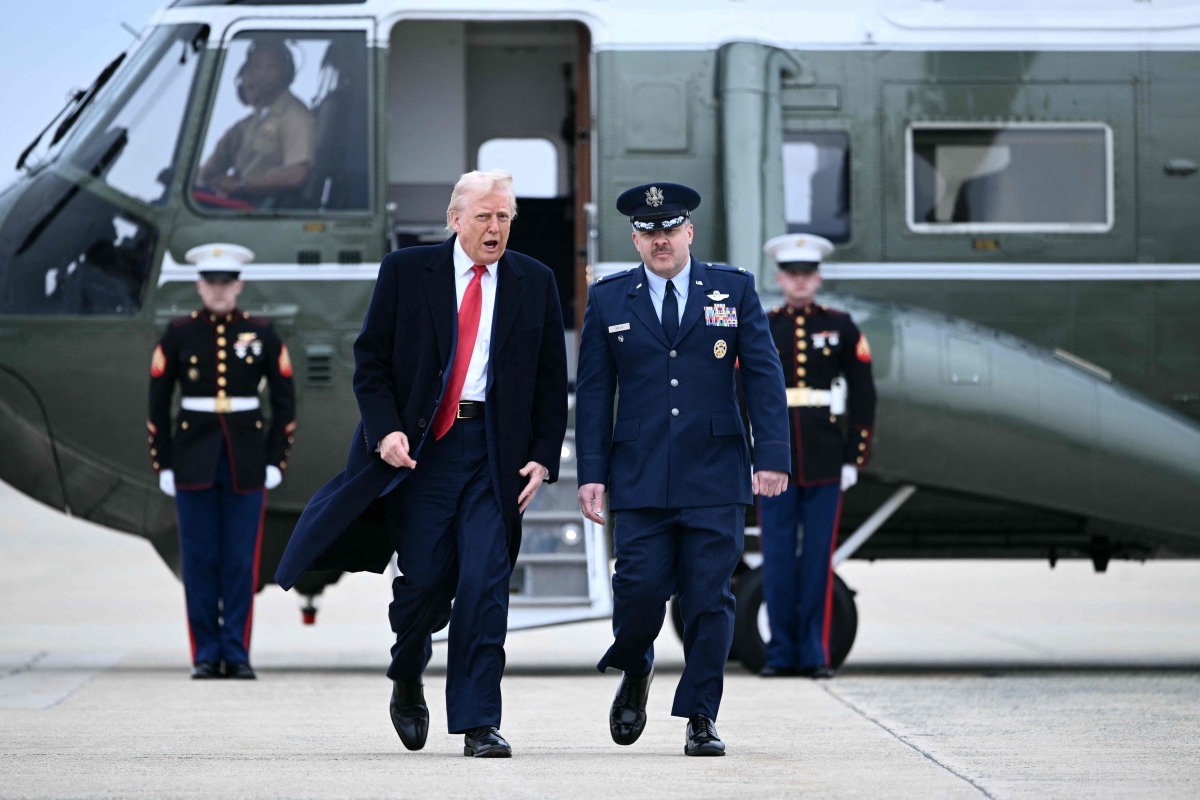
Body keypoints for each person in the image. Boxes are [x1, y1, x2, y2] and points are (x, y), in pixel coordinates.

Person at [274, 170, 568, 759]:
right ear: (455, 220)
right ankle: (407, 671)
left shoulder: (534, 281)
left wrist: (542, 455)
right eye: (484, 216)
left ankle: (479, 721)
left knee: (486, 583)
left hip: (495, 453)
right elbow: (371, 361)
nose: (495, 227)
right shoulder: (407, 273)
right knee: (426, 583)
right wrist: (385, 431)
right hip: (424, 452)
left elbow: (548, 379)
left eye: (505, 216)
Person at [575, 182, 790, 757]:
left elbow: (765, 378)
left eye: (669, 229)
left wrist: (771, 456)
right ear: (635, 239)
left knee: (707, 599)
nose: (659, 240)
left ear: (689, 232)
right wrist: (591, 472)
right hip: (640, 474)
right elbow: (595, 394)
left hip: (715, 473)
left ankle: (701, 714)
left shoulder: (733, 289)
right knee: (639, 590)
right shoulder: (609, 298)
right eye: (648, 232)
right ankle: (636, 663)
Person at [147, 244, 297, 680]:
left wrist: (275, 459)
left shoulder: (262, 333)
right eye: (210, 282)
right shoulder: (177, 334)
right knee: (199, 560)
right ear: (199, 285)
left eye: (225, 282)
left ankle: (236, 652)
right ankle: (205, 655)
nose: (218, 290)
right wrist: (165, 464)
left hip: (245, 461)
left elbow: (285, 402)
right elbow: (158, 404)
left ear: (238, 284)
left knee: (239, 561)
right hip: (193, 460)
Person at [758, 234, 876, 679]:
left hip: (826, 460)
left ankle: (814, 654)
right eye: (792, 273)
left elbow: (864, 396)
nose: (800, 281)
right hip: (776, 463)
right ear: (780, 277)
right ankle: (779, 653)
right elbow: (743, 393)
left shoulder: (842, 326)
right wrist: (753, 457)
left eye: (807, 274)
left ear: (818, 277)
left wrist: (853, 458)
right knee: (777, 558)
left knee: (816, 564)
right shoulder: (765, 325)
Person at [196, 39, 314, 205]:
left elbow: (297, 175)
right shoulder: (250, 122)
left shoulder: (295, 117)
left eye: (270, 67)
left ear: (285, 72)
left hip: (260, 207)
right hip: (239, 200)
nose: (262, 74)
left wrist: (241, 186)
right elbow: (214, 164)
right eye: (256, 67)